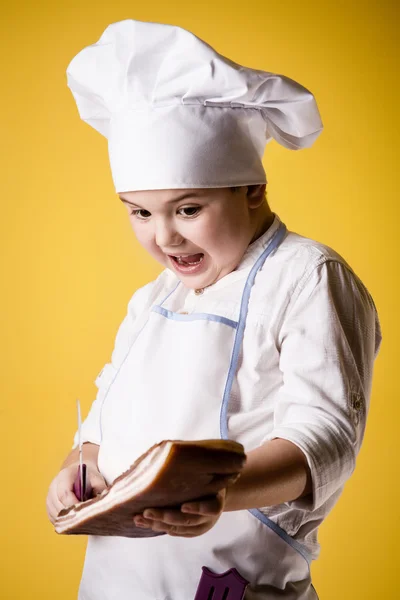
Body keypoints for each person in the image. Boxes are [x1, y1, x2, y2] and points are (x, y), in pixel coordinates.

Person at [46, 19, 381, 600]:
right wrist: (81, 467)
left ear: (251, 187)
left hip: (230, 582)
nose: (165, 239)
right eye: (140, 213)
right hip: (114, 581)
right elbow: (102, 422)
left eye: (188, 208)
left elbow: (325, 437)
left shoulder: (308, 276)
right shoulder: (153, 299)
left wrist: (218, 492)